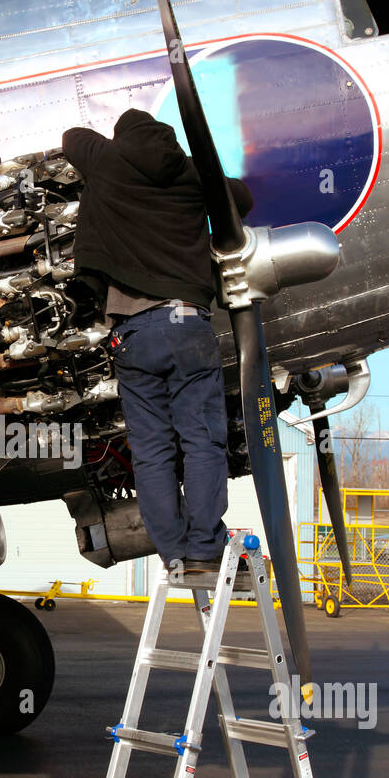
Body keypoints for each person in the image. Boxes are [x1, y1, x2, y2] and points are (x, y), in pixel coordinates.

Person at [62, 107, 253, 576]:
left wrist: (110, 154)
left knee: (152, 454)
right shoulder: (189, 175)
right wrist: (196, 169)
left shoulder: (106, 160)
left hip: (132, 334)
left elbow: (71, 137)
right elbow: (241, 198)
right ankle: (205, 549)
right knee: (203, 444)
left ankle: (172, 555)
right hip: (189, 324)